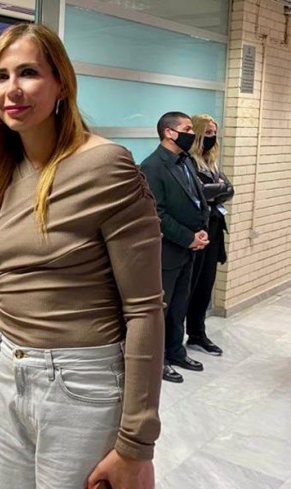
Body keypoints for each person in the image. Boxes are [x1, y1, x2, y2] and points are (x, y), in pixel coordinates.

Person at [0, 23, 163, 489]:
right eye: (0, 76)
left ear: (61, 84)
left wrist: (136, 442)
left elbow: (144, 310)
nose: (12, 89)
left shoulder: (106, 164)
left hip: (79, 387)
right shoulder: (4, 171)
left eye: (28, 73)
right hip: (5, 371)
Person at [141, 112, 211, 383]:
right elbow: (156, 214)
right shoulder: (152, 166)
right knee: (162, 309)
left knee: (179, 306)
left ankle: (176, 351)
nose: (192, 134)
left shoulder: (187, 161)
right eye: (187, 129)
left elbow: (196, 198)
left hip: (188, 248)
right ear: (169, 132)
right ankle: (157, 361)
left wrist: (200, 230)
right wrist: (188, 237)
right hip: (167, 250)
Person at [185, 114, 233, 356]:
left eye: (215, 133)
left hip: (214, 230)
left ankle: (197, 334)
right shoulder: (187, 162)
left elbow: (228, 189)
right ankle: (172, 342)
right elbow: (197, 193)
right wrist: (217, 190)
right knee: (187, 289)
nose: (212, 137)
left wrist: (216, 190)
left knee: (205, 287)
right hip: (194, 233)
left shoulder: (210, 163)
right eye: (208, 133)